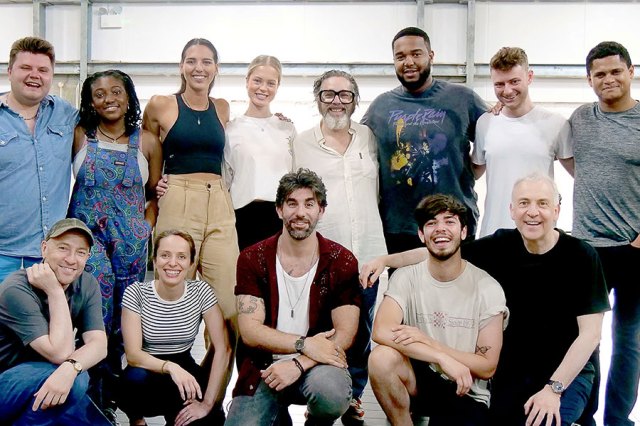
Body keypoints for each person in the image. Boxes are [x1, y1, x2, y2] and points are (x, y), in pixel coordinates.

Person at [362, 174, 610, 425]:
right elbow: (441, 248)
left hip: (565, 374)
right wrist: (386, 260)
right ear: (512, 210)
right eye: (524, 203)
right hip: (515, 372)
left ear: (556, 211)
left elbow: (590, 335)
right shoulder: (501, 245)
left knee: (546, 420)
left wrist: (553, 389)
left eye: (542, 204)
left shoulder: (582, 256)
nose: (532, 212)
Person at [225, 169, 361, 426]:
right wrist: (304, 344)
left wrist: (299, 363)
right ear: (279, 210)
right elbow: (250, 331)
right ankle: (276, 415)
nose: (300, 213)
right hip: (263, 368)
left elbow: (345, 333)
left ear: (321, 210)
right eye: (292, 203)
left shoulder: (341, 261)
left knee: (331, 393)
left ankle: (317, 422)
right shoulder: (252, 258)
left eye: (309, 204)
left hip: (318, 366)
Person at [66, 69, 162, 420]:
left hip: (131, 241)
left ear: (128, 96)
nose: (109, 99)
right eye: (100, 94)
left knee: (126, 318)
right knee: (95, 314)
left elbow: (154, 194)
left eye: (116, 91)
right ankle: (92, 397)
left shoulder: (147, 142)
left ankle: (121, 398)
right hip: (88, 239)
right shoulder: (79, 135)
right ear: (90, 102)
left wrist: (145, 228)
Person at [292, 69, 387, 424]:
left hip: (368, 253)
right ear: (317, 99)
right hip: (323, 256)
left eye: (345, 94)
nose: (337, 101)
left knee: (362, 330)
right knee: (323, 327)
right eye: (329, 94)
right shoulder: (300, 143)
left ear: (355, 100)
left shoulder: (368, 138)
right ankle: (322, 393)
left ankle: (353, 396)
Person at [368, 194, 507, 426]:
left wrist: (434, 345)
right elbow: (381, 331)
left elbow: (487, 366)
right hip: (420, 378)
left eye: (449, 221)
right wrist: (439, 357)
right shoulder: (405, 277)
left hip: (465, 386)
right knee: (381, 358)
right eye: (432, 223)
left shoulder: (487, 288)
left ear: (463, 232)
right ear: (422, 235)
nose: (440, 228)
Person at [362, 27, 487, 253]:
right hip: (400, 228)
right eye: (400, 56)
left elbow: (496, 137)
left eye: (416, 54)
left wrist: (473, 169)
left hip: (454, 223)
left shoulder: (462, 98)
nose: (408, 62)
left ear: (431, 56)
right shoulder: (380, 107)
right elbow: (355, 148)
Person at [569, 41, 640, 426]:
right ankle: (585, 418)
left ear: (631, 72)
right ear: (589, 80)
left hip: (634, 248)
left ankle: (618, 420)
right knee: (586, 337)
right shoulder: (580, 118)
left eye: (615, 71)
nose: (608, 79)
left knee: (629, 341)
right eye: (600, 74)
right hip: (588, 248)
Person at [0, 218, 109, 425]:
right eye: (63, 248)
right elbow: (59, 353)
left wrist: (71, 367)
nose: (71, 259)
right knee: (78, 380)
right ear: (44, 248)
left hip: (44, 379)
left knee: (76, 377)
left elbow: (99, 344)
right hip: (7, 383)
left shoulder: (86, 283)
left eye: (81, 252)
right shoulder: (16, 288)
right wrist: (55, 291)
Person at [119, 230, 231, 425]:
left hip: (183, 363)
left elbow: (223, 348)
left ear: (191, 263)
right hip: (146, 368)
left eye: (181, 257)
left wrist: (206, 404)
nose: (172, 263)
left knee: (211, 419)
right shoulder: (136, 293)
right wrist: (171, 367)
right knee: (133, 381)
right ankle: (137, 420)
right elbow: (133, 355)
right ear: (155, 260)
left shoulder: (201, 292)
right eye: (165, 255)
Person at [471, 47, 573, 237]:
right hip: (494, 233)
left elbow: (582, 177)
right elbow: (473, 172)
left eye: (514, 81)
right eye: (499, 84)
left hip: (539, 236)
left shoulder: (556, 124)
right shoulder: (485, 123)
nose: (507, 90)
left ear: (529, 77)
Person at [0, 37, 78, 283]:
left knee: (49, 310)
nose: (35, 75)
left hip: (49, 256)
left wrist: (157, 178)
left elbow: (110, 134)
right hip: (2, 254)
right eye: (26, 68)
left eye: (43, 70)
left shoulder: (66, 114)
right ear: (9, 71)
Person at [224, 55, 296, 250]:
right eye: (257, 81)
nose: (263, 88)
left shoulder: (287, 128)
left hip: (281, 217)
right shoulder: (231, 129)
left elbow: (294, 175)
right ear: (247, 81)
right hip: (242, 218)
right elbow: (225, 180)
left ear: (278, 86)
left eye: (271, 83)